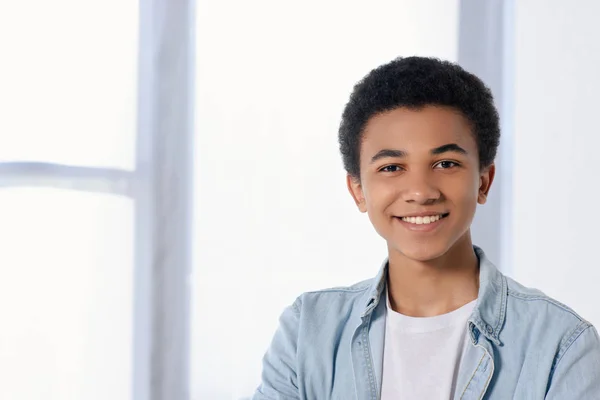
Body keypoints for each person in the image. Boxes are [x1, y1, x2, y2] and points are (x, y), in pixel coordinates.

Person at [252, 57, 600, 399]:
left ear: (483, 181)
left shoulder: (561, 344)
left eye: (446, 163)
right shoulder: (306, 333)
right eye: (391, 167)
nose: (420, 192)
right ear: (358, 190)